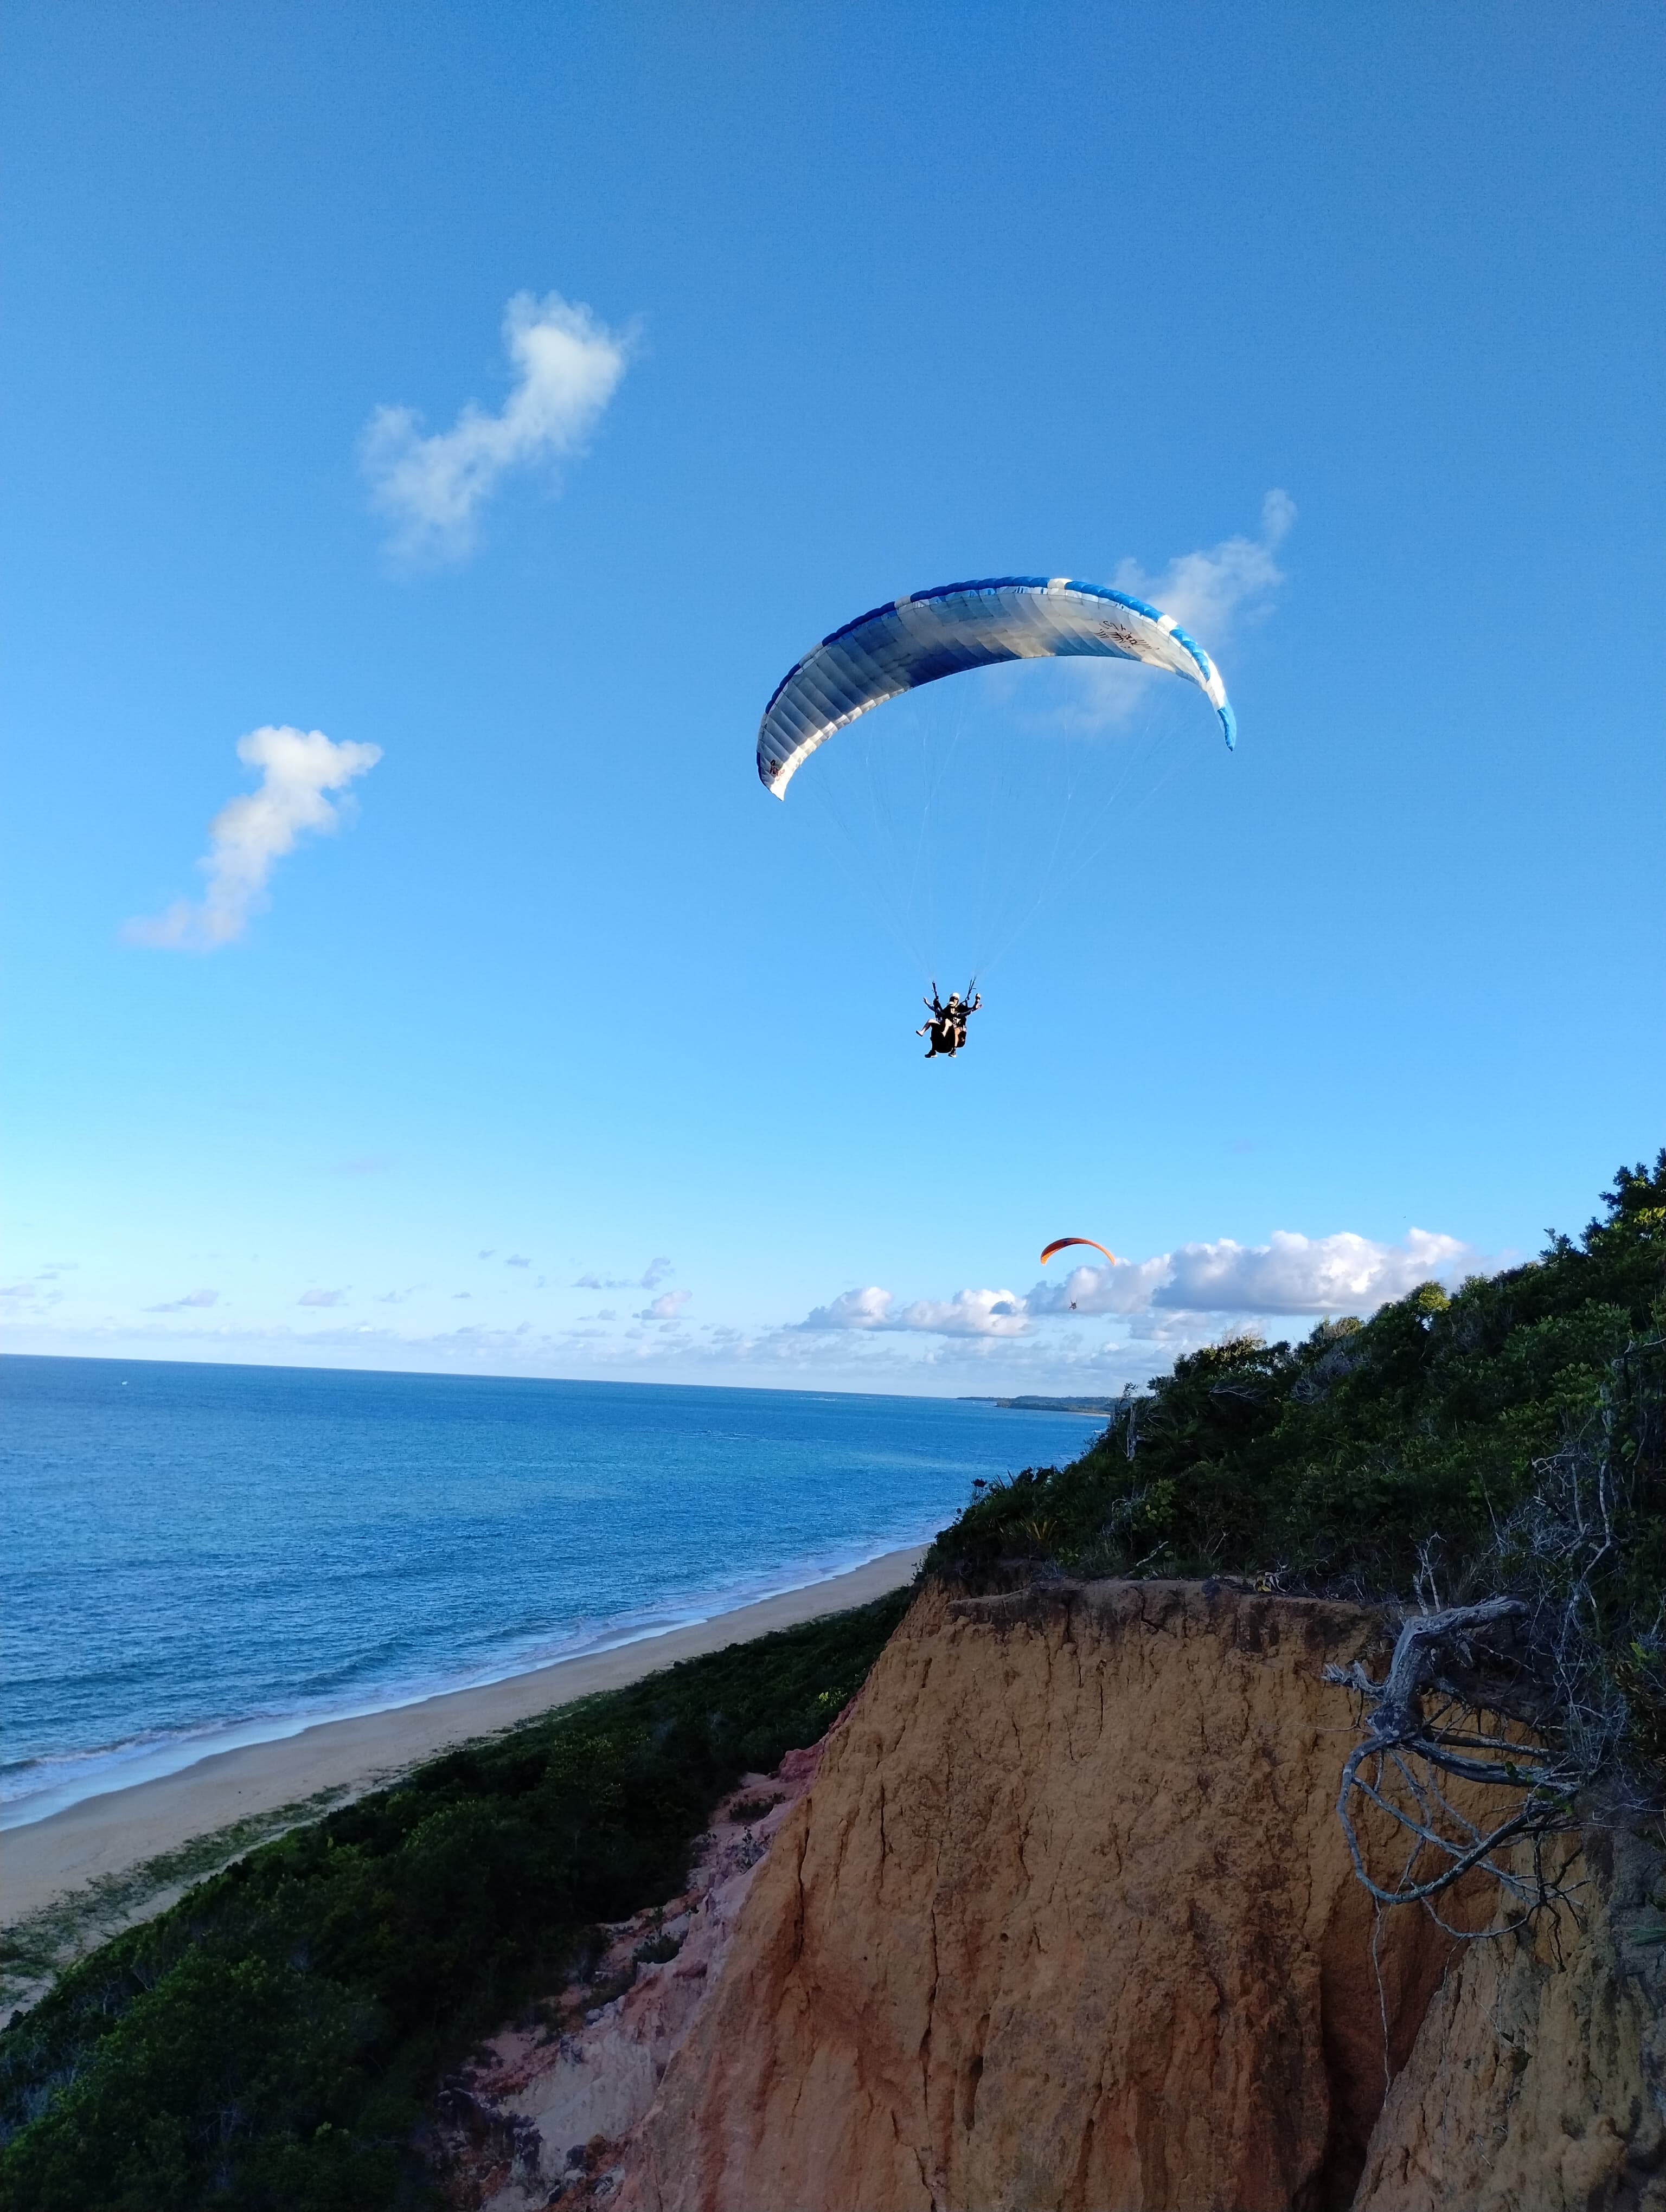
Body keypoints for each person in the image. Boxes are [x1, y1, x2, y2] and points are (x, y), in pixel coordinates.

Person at [917, 986, 982, 1058]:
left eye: (955, 1000)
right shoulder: (945, 1013)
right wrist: (928, 1004)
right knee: (931, 1021)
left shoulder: (959, 1014)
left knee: (952, 1026)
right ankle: (924, 1035)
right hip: (946, 1033)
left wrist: (976, 1002)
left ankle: (954, 1051)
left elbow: (969, 1011)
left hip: (955, 1032)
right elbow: (936, 1010)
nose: (951, 1009)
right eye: (950, 1007)